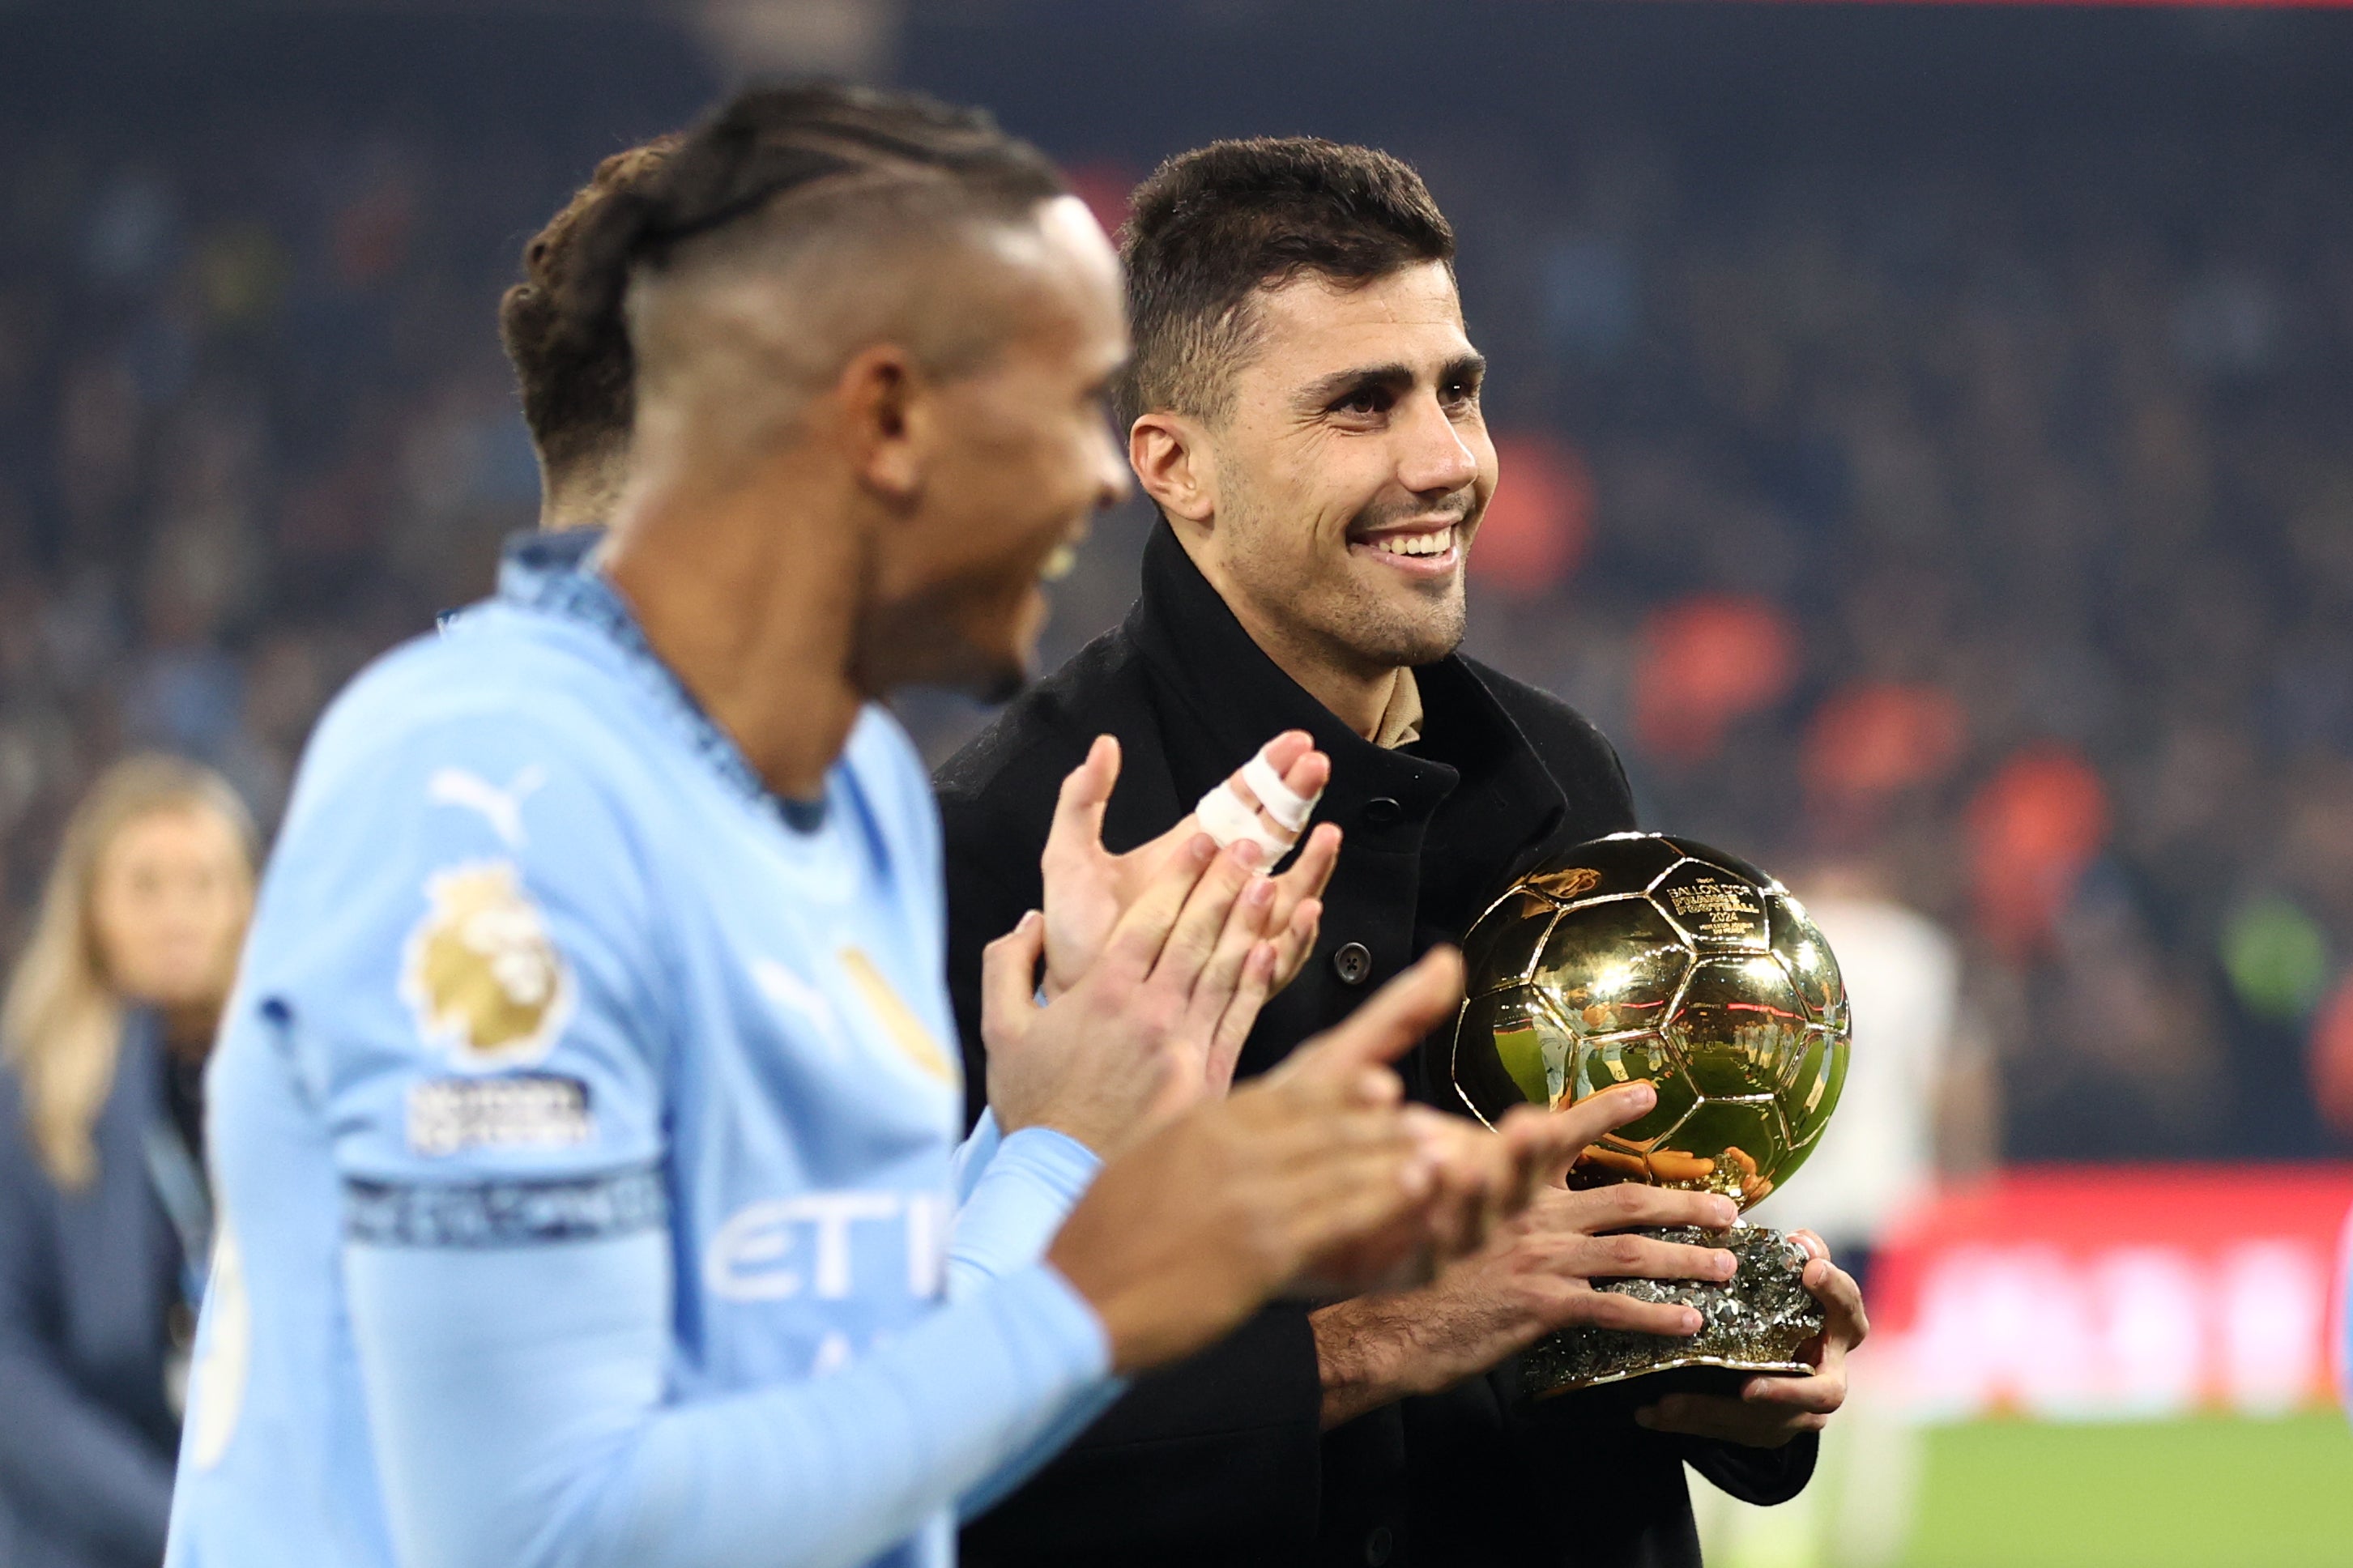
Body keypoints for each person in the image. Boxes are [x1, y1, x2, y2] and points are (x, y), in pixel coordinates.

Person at [162, 85, 1598, 1568]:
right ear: (884, 426)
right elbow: (550, 1531)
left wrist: (1055, 1134)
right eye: (1055, 400)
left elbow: (847, 1414)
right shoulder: (482, 802)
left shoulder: (841, 808)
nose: (1105, 475)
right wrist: (1106, 1282)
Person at [936, 137, 1869, 1568]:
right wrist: (1398, 1337)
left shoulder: (1561, 780)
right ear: (1174, 464)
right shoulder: (1011, 841)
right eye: (1360, 406)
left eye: (1458, 388)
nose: (1445, 462)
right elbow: (926, 1437)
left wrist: (1731, 1370)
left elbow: (1582, 1299)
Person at [0, 756, 256, 1568]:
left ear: (247, 902)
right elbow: (13, 1376)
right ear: (91, 910)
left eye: (204, 883)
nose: (177, 914)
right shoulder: (29, 1103)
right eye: (145, 885)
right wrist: (176, 1526)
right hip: (84, 1535)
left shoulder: (297, 1097)